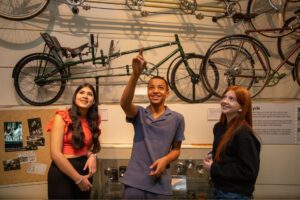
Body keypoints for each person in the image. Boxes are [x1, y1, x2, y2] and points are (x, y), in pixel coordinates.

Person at [120, 49, 185, 199]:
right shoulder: (139, 113)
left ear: (167, 93)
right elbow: (124, 104)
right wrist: (135, 75)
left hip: (160, 183)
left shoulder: (177, 118)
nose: (155, 91)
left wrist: (165, 160)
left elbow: (176, 150)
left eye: (160, 88)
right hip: (134, 182)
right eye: (151, 88)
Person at [203, 86, 261, 199]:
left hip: (235, 194)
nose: (224, 101)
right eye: (224, 97)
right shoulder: (219, 127)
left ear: (241, 108)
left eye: (231, 99)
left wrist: (214, 167)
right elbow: (230, 154)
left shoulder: (243, 134)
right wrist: (213, 155)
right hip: (218, 190)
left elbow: (249, 171)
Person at [46, 83, 101, 199]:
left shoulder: (94, 120)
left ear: (93, 101)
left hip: (85, 172)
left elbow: (88, 147)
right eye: (81, 92)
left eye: (90, 94)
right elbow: (55, 154)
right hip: (62, 172)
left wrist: (92, 156)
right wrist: (78, 179)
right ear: (75, 97)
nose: (85, 96)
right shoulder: (62, 117)